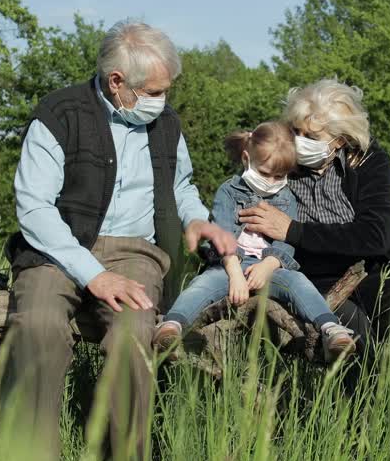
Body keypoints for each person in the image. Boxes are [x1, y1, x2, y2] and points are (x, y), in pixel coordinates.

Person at [1, 20, 238, 461]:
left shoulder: (166, 124)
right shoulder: (59, 113)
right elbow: (33, 208)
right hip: (58, 249)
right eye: (153, 91)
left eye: (166, 91)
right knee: (39, 325)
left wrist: (196, 220)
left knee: (133, 336)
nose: (162, 101)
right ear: (117, 83)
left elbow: (182, 185)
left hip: (134, 252)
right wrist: (93, 275)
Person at [237, 78, 390, 432]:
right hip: (318, 280)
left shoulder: (370, 160)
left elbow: (375, 235)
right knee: (357, 357)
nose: (300, 142)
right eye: (296, 131)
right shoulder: (283, 163)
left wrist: (294, 231)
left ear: (340, 139)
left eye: (311, 137)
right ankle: (363, 445)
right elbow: (251, 217)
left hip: (378, 271)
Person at [152, 122, 357, 358]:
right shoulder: (228, 192)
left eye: (279, 176)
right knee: (201, 285)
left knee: (299, 282)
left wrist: (269, 265)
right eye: (265, 174)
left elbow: (285, 241)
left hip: (269, 268)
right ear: (247, 159)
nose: (271, 182)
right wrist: (235, 274)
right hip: (229, 265)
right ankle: (172, 324)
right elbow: (222, 234)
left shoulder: (286, 196)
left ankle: (331, 328)